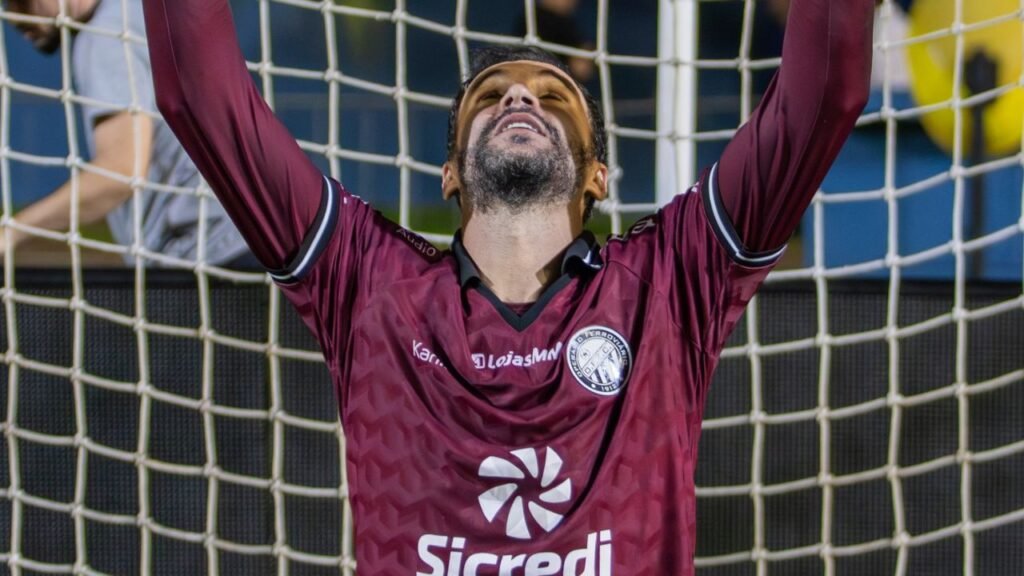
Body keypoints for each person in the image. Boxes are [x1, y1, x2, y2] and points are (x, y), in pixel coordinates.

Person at [142, 0, 874, 572]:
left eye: (553, 97)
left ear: (597, 176)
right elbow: (199, 97)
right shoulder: (368, 281)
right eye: (491, 95)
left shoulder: (670, 281)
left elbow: (826, 96)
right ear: (450, 174)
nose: (520, 98)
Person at [2, 0, 252, 268]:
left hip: (213, 251)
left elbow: (121, 173)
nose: (13, 16)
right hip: (254, 230)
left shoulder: (107, 36)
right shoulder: (142, 9)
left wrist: (12, 231)